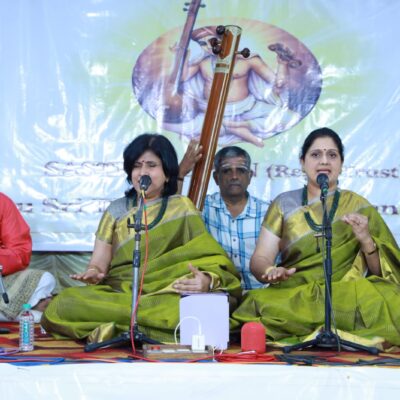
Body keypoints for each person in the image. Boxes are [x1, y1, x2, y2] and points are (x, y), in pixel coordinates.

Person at [41, 134, 241, 343]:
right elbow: (98, 263)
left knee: (194, 307)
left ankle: (116, 327)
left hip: (165, 294)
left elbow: (209, 258)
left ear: (167, 174)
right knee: (64, 303)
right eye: (137, 166)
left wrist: (206, 280)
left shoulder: (182, 207)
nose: (143, 172)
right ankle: (138, 327)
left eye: (151, 165)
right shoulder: (117, 210)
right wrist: (93, 273)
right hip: (121, 294)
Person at [231, 127, 400, 350]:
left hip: (345, 292)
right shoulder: (284, 204)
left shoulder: (358, 205)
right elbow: (260, 258)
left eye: (332, 155)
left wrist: (366, 240)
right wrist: (270, 271)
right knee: (255, 305)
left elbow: (383, 274)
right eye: (315, 154)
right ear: (302, 162)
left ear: (341, 163)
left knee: (391, 298)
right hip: (297, 293)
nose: (324, 161)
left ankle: (325, 328)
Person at [162, 27, 301, 147]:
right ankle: (232, 129)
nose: (208, 47)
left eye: (212, 41)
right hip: (210, 113)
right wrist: (182, 57)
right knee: (167, 125)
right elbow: (178, 79)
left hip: (247, 109)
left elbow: (277, 84)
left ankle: (241, 126)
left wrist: (282, 65)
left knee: (291, 117)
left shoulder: (249, 60)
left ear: (224, 41)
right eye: (203, 44)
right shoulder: (202, 62)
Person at [179, 142, 268, 291]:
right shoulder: (200, 208)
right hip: (217, 294)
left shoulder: (268, 212)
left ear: (250, 176)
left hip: (262, 295)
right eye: (227, 171)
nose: (234, 176)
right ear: (216, 177)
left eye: (241, 170)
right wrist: (180, 173)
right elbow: (173, 214)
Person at [0, 193, 56, 322]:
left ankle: (10, 314)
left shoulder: (2, 202)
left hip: (2, 280)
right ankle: (24, 315)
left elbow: (20, 253)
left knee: (44, 278)